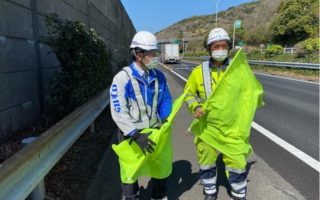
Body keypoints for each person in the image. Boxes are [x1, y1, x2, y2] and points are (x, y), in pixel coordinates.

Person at [184, 28, 261, 200]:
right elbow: (188, 94)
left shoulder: (237, 70)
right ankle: (210, 193)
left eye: (223, 46)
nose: (220, 49)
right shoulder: (198, 71)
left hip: (232, 127)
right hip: (207, 125)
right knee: (206, 161)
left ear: (228, 47)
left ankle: (239, 194)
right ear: (209, 49)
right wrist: (195, 107)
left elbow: (248, 93)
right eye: (216, 46)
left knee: (237, 163)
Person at [110, 31, 172, 200]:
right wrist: (135, 135)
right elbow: (118, 110)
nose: (156, 58)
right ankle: (132, 197)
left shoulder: (159, 77)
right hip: (131, 136)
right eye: (152, 54)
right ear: (138, 54)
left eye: (156, 54)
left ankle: (158, 196)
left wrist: (166, 119)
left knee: (160, 169)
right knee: (130, 174)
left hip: (155, 132)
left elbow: (165, 99)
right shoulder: (122, 78)